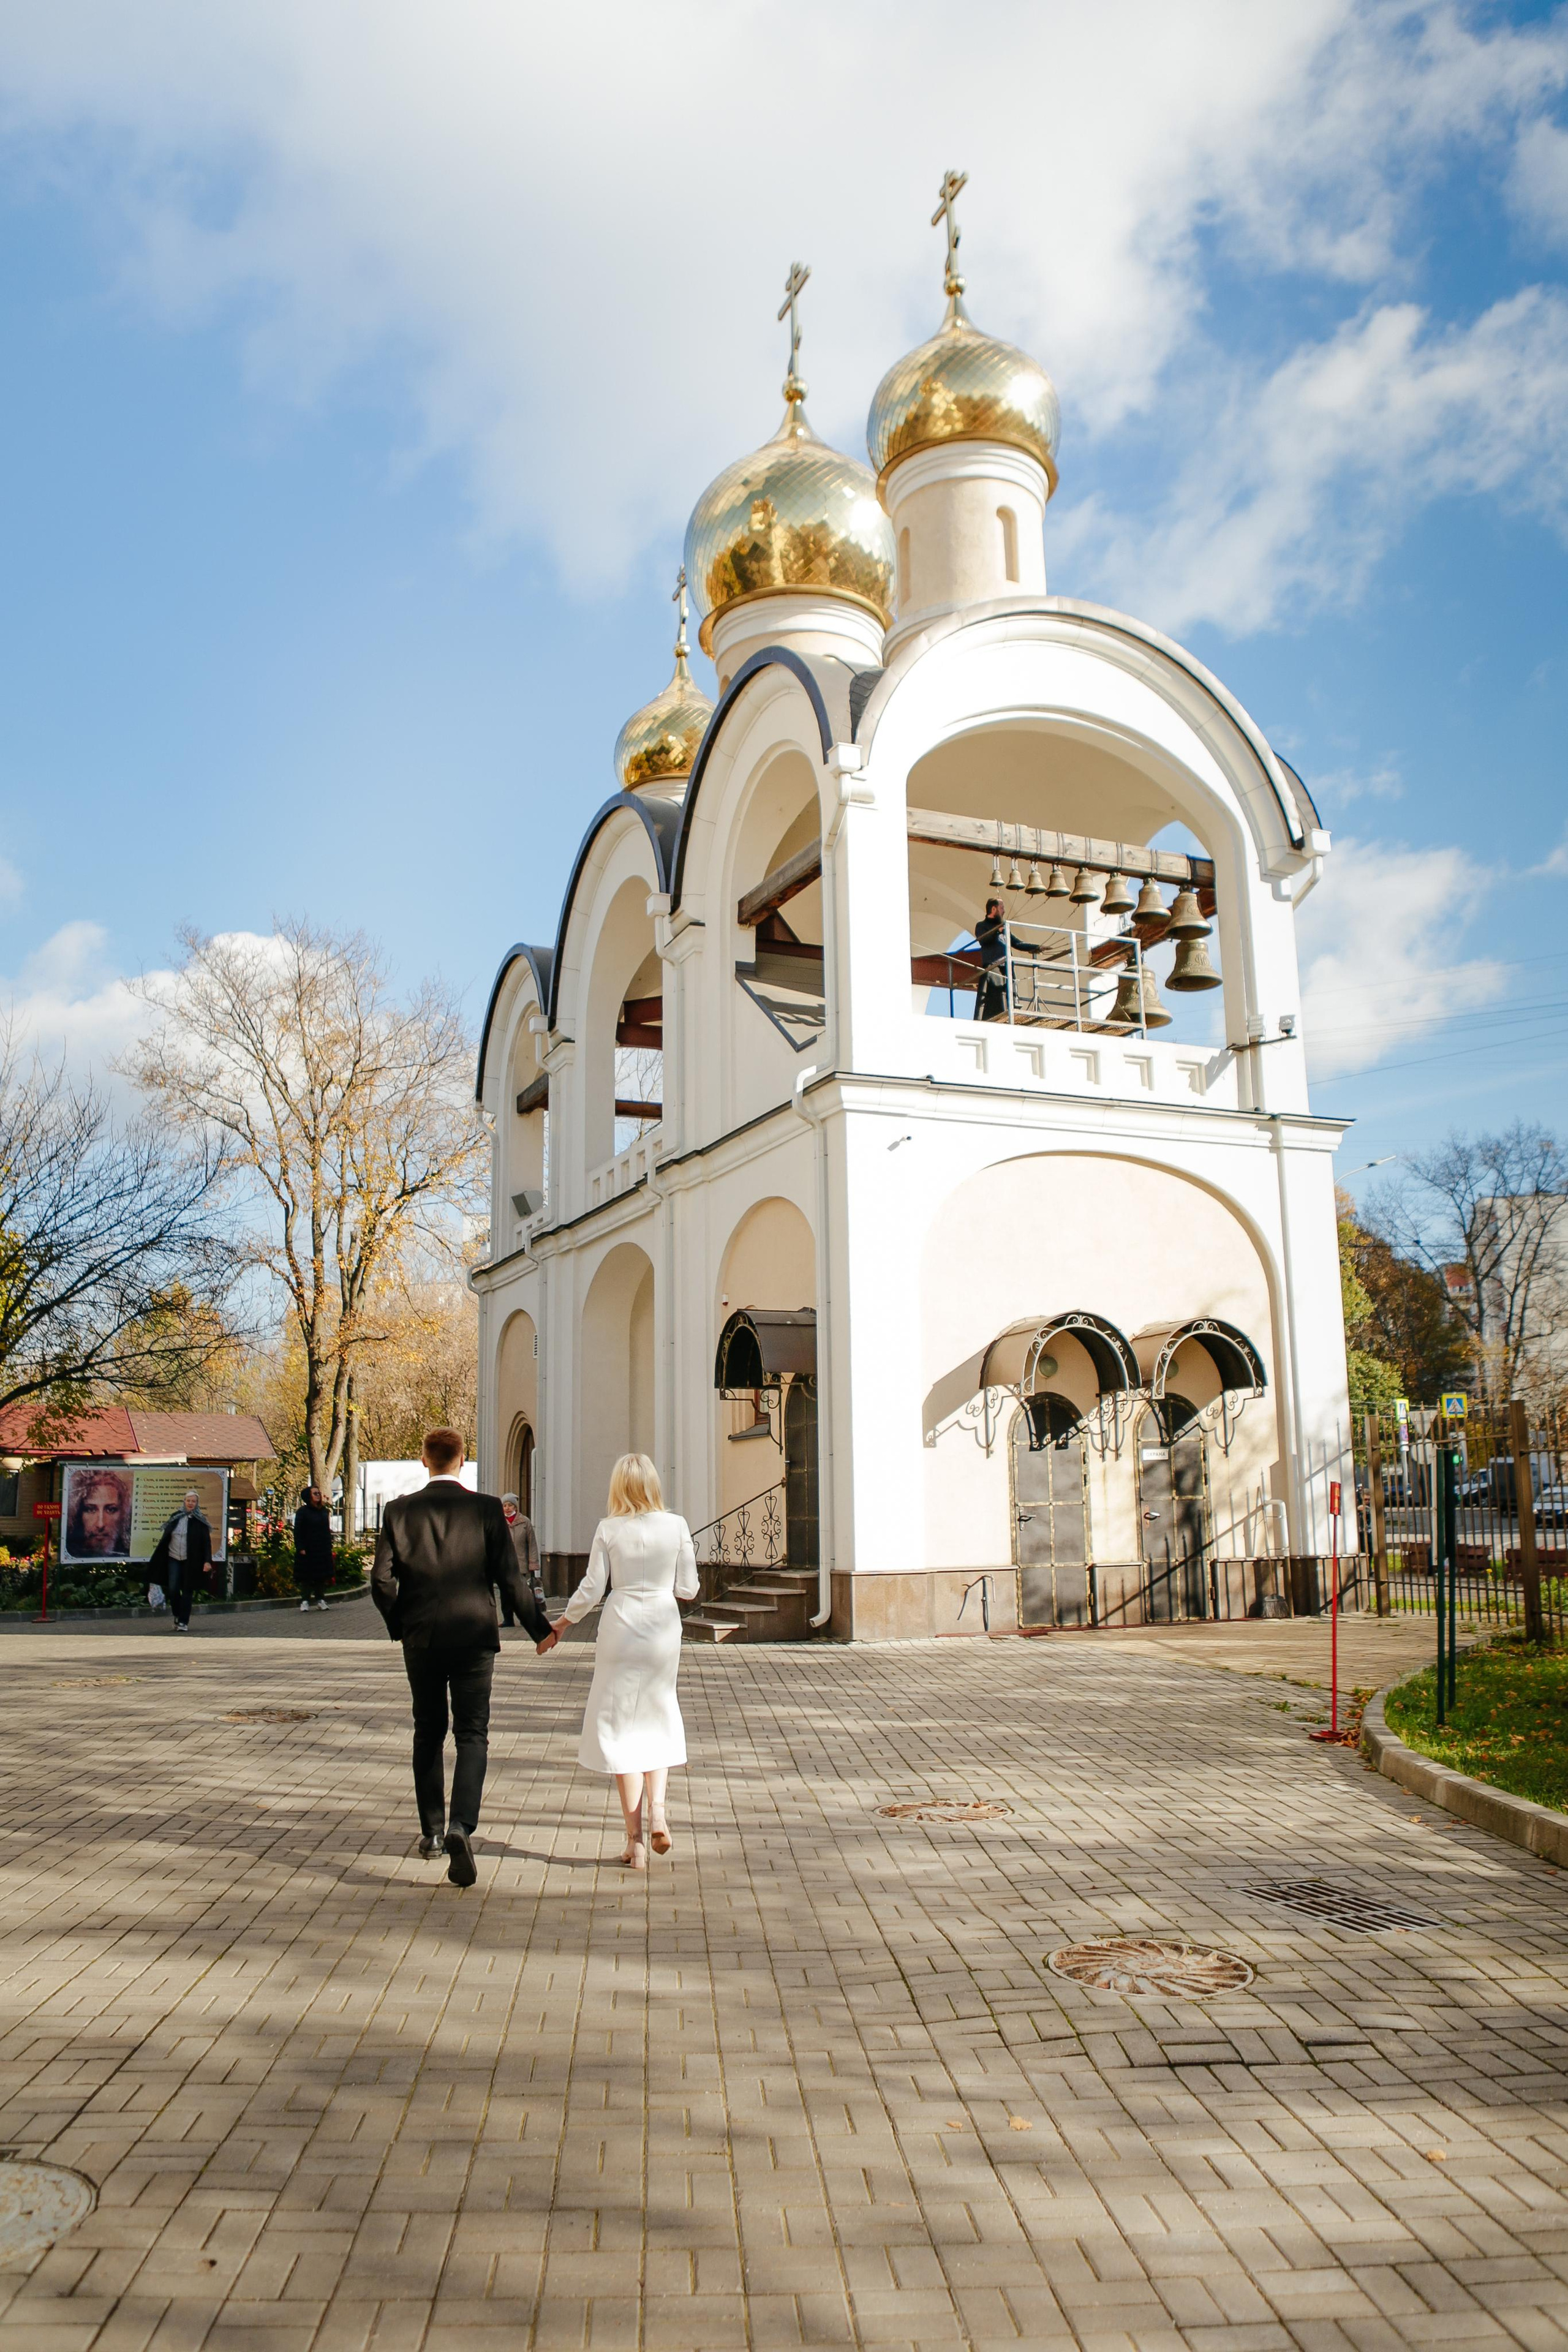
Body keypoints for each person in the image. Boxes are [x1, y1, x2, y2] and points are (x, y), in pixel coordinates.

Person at [371, 1428, 553, 1887]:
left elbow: (380, 1582)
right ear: (463, 1459)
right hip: (474, 1635)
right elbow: (511, 1581)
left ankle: (432, 1833)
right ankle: (461, 1826)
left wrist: (402, 1625)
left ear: (424, 1460)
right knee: (473, 1733)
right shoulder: (487, 1509)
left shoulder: (398, 1512)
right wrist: (541, 1631)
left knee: (428, 1731)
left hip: (423, 1640)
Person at [537, 1452, 699, 1871]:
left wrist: (563, 1624)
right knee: (658, 1710)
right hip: (663, 1624)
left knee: (621, 1725)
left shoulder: (609, 1529)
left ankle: (635, 1844)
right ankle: (659, 1811)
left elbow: (592, 1589)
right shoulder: (677, 1525)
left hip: (621, 1622)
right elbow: (689, 1589)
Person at [148, 1488, 213, 1633]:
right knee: (173, 1589)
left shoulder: (200, 1521)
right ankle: (177, 1615)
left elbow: (206, 1543)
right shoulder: (175, 1517)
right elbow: (166, 1538)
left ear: (197, 1504)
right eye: (188, 1501)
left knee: (188, 1590)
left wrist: (207, 1561)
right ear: (184, 1502)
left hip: (191, 1561)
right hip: (174, 1558)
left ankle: (184, 1621)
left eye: (193, 1502)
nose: (191, 1503)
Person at [66, 1468, 132, 1560]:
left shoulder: (130, 1555)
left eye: (111, 1510)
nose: (100, 1524)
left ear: (123, 1513)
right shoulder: (70, 1553)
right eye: (90, 1510)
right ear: (78, 1512)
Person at [499, 1491, 542, 1628]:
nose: (507, 1508)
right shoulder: (499, 1522)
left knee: (521, 1595)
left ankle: (526, 1619)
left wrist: (533, 1563)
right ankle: (508, 1620)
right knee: (505, 1595)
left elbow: (532, 1544)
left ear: (515, 1507)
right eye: (505, 1505)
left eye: (510, 1505)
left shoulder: (525, 1522)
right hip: (504, 1565)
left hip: (521, 1564)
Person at [293, 1486, 334, 1611]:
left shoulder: (324, 1511)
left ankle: (321, 1599)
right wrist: (301, 1547)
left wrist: (329, 1545)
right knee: (306, 1576)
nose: (318, 1495)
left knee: (321, 1576)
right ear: (308, 1497)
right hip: (308, 1549)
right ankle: (305, 1601)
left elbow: (326, 1530)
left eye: (319, 1493)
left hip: (322, 1549)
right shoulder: (303, 1512)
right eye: (315, 1493)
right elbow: (298, 1531)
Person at [974, 896, 1009, 1022]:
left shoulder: (1003, 929)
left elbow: (1016, 943)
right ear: (994, 909)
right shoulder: (982, 926)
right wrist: (997, 932)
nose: (1004, 911)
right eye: (1002, 908)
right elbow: (983, 940)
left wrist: (1037, 948)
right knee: (994, 1001)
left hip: (1006, 969)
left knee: (1007, 999)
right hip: (993, 970)